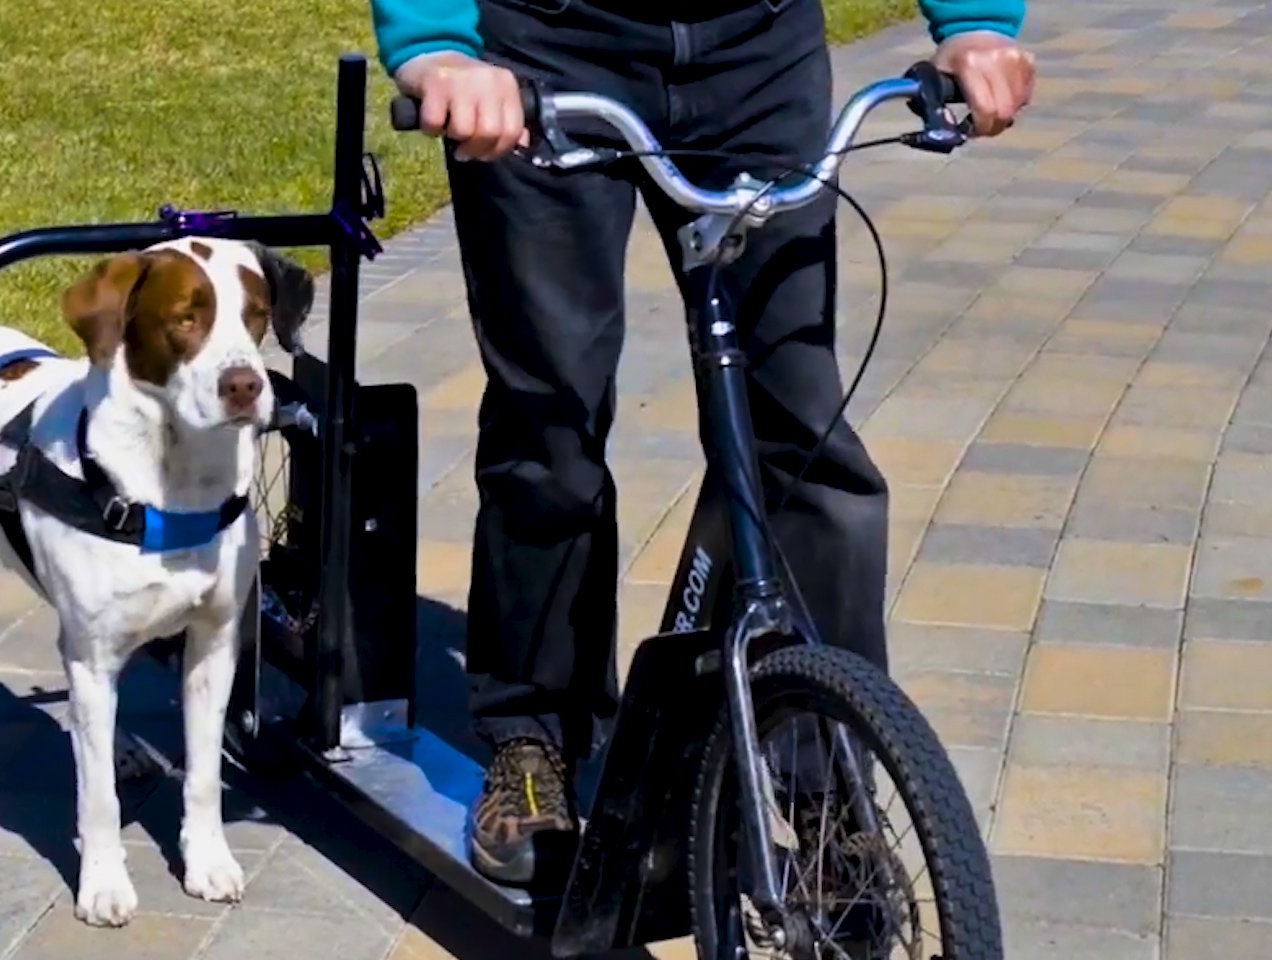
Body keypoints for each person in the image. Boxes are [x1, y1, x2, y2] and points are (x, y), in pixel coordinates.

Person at [369, 0, 1035, 886]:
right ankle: (533, 736)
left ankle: (826, 784)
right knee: (552, 417)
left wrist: (977, 21)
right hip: (544, 45)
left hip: (758, 52)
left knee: (800, 432)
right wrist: (437, 48)